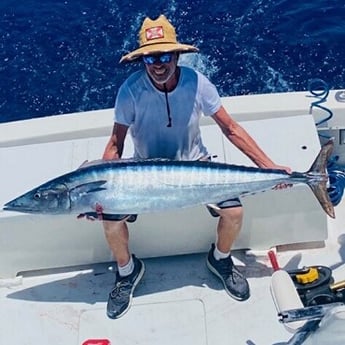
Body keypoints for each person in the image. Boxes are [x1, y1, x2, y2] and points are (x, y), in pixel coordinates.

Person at [99, 14, 291, 319]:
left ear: (177, 55)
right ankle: (127, 271)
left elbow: (231, 129)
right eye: (149, 58)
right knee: (109, 220)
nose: (158, 64)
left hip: (196, 165)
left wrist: (270, 167)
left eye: (164, 55)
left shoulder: (198, 83)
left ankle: (220, 259)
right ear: (142, 61)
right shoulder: (129, 92)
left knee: (234, 211)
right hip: (145, 171)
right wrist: (103, 189)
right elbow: (115, 144)